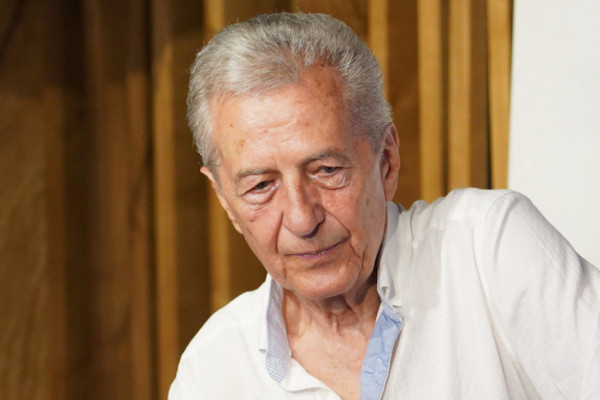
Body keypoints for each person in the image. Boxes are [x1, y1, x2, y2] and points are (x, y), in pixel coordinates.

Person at [169, 12, 600, 400]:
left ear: (387, 160)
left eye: (326, 169)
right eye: (262, 185)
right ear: (225, 200)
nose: (302, 219)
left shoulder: (486, 247)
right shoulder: (212, 371)